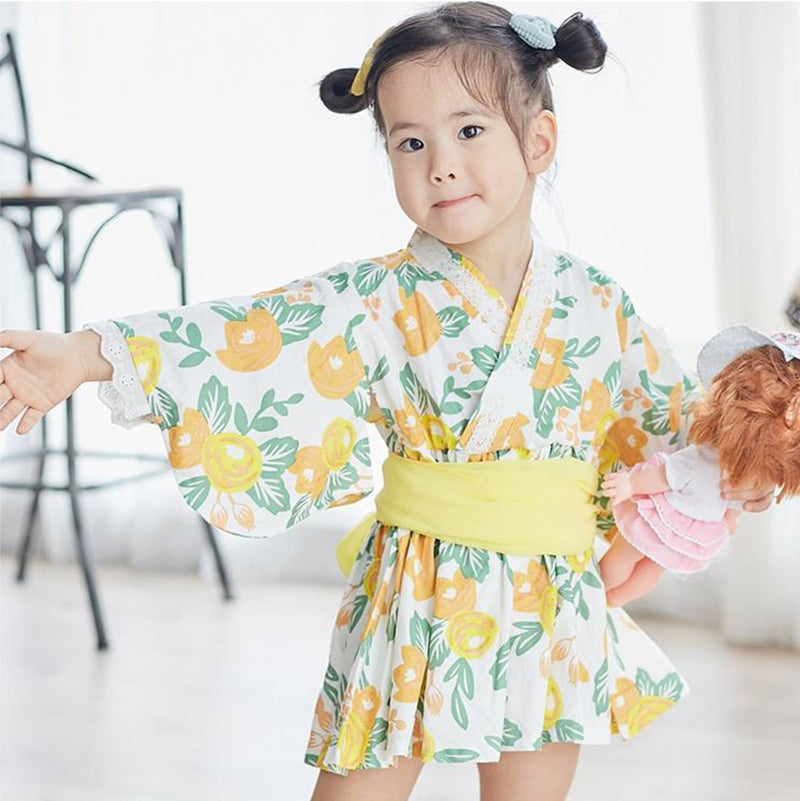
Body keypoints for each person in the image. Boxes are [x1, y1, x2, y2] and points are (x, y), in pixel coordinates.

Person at [0, 4, 776, 801]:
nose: (440, 163)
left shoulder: (595, 304)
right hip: (411, 592)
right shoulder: (374, 299)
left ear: (538, 140)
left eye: (469, 131)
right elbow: (248, 332)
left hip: (548, 604)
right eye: (411, 142)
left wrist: (767, 426)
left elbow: (680, 417)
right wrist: (87, 354)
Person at [599, 327, 800, 606]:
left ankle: (598, 592)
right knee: (652, 571)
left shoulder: (702, 457)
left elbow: (665, 476)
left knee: (624, 555)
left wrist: (630, 484)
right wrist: (730, 519)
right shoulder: (746, 477)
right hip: (695, 532)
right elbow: (732, 504)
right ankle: (612, 601)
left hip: (663, 517)